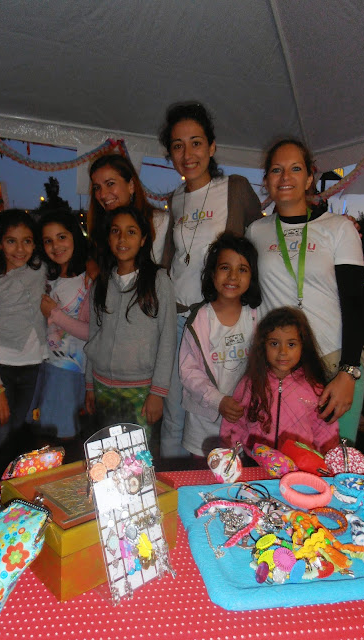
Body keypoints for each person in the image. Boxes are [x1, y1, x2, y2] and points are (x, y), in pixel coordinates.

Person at [158, 101, 262, 460]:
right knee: (176, 411)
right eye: (177, 145)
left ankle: (223, 478)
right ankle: (174, 481)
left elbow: (261, 240)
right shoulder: (175, 199)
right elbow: (171, 258)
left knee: (226, 406)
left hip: (221, 319)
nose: (187, 154)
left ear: (212, 147)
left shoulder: (234, 188)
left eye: (196, 143)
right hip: (179, 319)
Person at [246, 138, 364, 442]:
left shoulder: (339, 228)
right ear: (266, 180)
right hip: (282, 367)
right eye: (276, 170)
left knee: (335, 460)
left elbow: (355, 303)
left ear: (310, 177)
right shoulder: (256, 231)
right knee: (281, 458)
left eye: (295, 169)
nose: (285, 177)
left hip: (333, 364)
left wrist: (349, 371)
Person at [84, 205, 176, 447]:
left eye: (131, 232)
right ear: (108, 238)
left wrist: (158, 393)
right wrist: (89, 385)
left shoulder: (159, 281)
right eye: (115, 231)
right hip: (102, 387)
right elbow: (93, 336)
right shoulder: (100, 283)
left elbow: (168, 339)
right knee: (108, 454)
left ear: (143, 239)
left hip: (141, 390)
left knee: (139, 457)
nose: (122, 238)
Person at [0, 209, 47, 472]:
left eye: (27, 241)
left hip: (35, 368)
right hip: (0, 371)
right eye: (11, 241)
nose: (20, 249)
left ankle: (21, 493)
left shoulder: (41, 270)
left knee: (25, 442)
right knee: (2, 442)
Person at [179, 232, 261, 459]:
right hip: (204, 419)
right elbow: (188, 371)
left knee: (237, 472)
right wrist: (218, 400)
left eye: (242, 269)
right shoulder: (199, 319)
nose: (233, 276)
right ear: (212, 273)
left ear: (252, 276)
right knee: (201, 473)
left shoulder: (256, 316)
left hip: (242, 419)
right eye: (225, 268)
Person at [221, 306, 339, 455]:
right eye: (274, 344)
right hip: (257, 461)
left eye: (291, 344)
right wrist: (228, 455)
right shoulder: (251, 383)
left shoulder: (314, 388)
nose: (283, 352)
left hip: (300, 464)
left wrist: (329, 460)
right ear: (263, 346)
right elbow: (235, 421)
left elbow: (326, 431)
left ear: (303, 346)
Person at [30, 210, 91, 445]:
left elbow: (91, 332)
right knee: (44, 437)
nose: (56, 246)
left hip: (69, 370)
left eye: (62, 237)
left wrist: (55, 314)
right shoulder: (46, 276)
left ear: (75, 235)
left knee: (63, 438)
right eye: (48, 241)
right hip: (45, 366)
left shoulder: (88, 279)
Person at [88, 153, 170, 263]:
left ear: (131, 185)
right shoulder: (101, 227)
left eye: (110, 184)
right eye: (97, 187)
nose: (102, 194)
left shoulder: (158, 221)